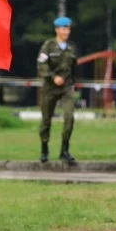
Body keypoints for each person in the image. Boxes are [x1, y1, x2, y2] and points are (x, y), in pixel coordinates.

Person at [37, 16, 77, 164]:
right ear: (57, 30)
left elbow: (73, 67)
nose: (67, 31)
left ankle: (64, 150)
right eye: (64, 29)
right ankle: (44, 148)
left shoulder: (71, 47)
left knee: (69, 117)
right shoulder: (48, 46)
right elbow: (42, 65)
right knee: (46, 120)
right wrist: (53, 77)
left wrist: (73, 82)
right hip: (50, 87)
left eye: (68, 29)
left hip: (66, 87)